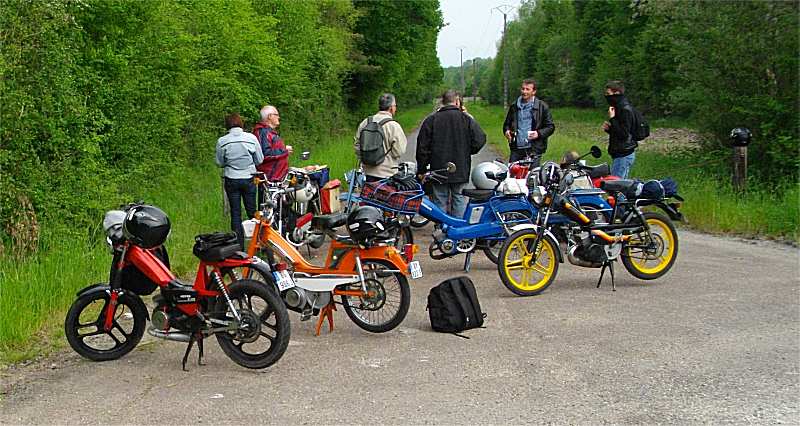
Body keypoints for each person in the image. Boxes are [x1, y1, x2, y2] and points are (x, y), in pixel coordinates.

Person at [416, 90, 487, 218]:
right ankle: (456, 233)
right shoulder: (466, 119)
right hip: (460, 167)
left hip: (438, 169)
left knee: (439, 201)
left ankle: (440, 231)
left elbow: (422, 148)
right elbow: (480, 139)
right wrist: (467, 151)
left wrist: (422, 169)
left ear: (443, 102)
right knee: (459, 200)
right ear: (457, 101)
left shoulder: (431, 120)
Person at [215, 113, 264, 249]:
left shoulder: (222, 141)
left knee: (235, 212)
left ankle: (239, 246)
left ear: (227, 125)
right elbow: (259, 159)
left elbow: (219, 162)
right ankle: (257, 242)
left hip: (231, 179)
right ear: (241, 123)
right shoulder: (251, 138)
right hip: (249, 177)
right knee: (252, 211)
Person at [354, 93, 407, 182]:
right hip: (387, 174)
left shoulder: (365, 122)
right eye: (395, 106)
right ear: (391, 107)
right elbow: (399, 151)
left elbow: (357, 146)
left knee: (369, 195)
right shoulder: (394, 126)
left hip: (367, 173)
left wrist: (365, 158)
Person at [503, 79, 555, 166]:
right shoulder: (514, 106)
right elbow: (506, 125)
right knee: (512, 176)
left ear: (534, 92)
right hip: (516, 148)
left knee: (531, 177)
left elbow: (550, 127)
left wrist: (538, 133)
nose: (524, 91)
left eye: (527, 89)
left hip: (534, 150)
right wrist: (507, 131)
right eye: (523, 89)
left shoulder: (542, 107)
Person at [601, 80, 637, 179]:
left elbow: (624, 134)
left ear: (616, 93)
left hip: (624, 155)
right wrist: (610, 129)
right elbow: (620, 131)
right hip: (620, 154)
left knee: (616, 187)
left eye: (608, 93)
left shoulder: (625, 109)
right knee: (619, 186)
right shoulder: (619, 107)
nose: (606, 96)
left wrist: (612, 119)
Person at [253, 105, 292, 183]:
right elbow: (266, 154)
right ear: (270, 116)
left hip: (276, 176)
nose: (279, 117)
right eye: (276, 115)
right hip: (270, 177)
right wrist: (285, 151)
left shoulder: (268, 132)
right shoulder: (264, 132)